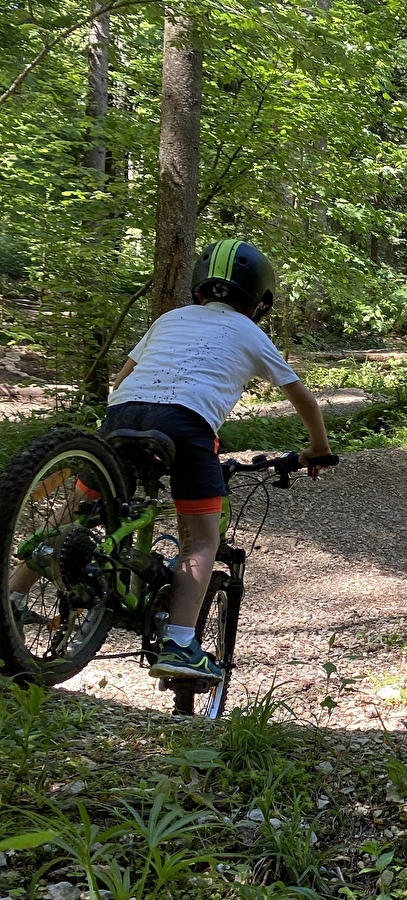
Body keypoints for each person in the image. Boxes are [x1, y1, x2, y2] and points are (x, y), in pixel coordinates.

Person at [8, 240, 334, 682]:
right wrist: (317, 448)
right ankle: (179, 645)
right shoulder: (251, 332)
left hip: (122, 418)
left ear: (199, 289)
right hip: (186, 426)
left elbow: (120, 379)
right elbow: (305, 401)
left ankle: (11, 598)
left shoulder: (169, 318)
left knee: (72, 516)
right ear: (259, 303)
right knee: (202, 539)